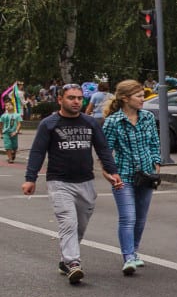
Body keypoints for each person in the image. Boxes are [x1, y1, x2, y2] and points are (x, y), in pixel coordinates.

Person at [21, 83, 121, 284]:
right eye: (71, 98)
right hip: (59, 182)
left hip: (85, 182)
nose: (76, 101)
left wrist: (112, 172)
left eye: (79, 98)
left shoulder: (90, 123)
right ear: (60, 100)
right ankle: (74, 262)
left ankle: (65, 261)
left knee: (80, 227)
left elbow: (103, 149)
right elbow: (38, 152)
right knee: (68, 222)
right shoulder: (49, 124)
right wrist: (30, 178)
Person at [102, 79, 163, 275]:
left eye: (142, 96)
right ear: (124, 98)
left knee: (141, 218)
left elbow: (154, 143)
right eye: (138, 96)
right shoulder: (113, 121)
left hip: (146, 174)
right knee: (128, 217)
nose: (142, 99)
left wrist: (157, 163)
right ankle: (128, 257)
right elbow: (106, 151)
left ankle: (134, 252)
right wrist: (108, 173)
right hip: (123, 175)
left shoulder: (147, 117)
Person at [2, 95, 20, 163]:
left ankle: (13, 154)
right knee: (8, 146)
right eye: (6, 105)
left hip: (14, 133)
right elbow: (1, 125)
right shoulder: (3, 116)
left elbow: (19, 124)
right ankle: (10, 158)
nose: (8, 106)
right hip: (6, 133)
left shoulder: (17, 115)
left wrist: (16, 131)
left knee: (15, 146)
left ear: (13, 106)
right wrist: (1, 133)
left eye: (9, 105)